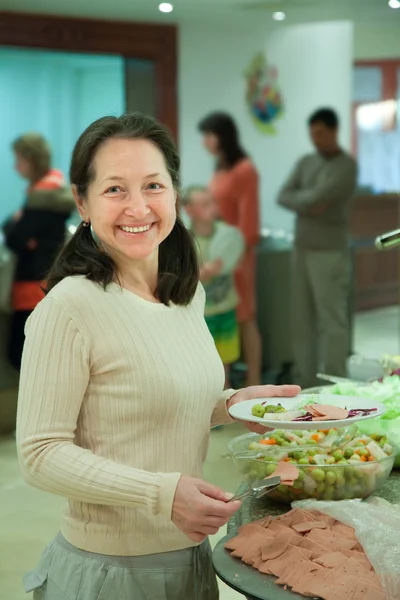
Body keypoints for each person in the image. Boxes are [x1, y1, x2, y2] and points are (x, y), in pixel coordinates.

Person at [16, 113, 300, 600]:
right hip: (110, 573)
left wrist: (231, 404)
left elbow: (149, 401)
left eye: (153, 185)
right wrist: (160, 494)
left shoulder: (185, 295)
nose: (138, 207)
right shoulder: (68, 307)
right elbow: (40, 454)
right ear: (82, 202)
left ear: (173, 193)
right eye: (114, 190)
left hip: (189, 559)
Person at [277, 108, 357, 389]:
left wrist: (306, 200)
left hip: (330, 253)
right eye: (312, 134)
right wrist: (308, 203)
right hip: (301, 250)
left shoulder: (346, 166)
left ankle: (335, 385)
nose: (316, 140)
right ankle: (304, 384)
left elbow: (320, 197)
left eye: (321, 134)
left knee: (331, 321)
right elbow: (284, 196)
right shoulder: (305, 162)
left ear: (334, 131)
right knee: (301, 320)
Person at [199, 112, 262, 386]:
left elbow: (249, 219)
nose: (206, 141)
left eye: (210, 135)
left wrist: (235, 256)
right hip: (218, 253)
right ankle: (226, 382)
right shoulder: (220, 167)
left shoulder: (244, 169)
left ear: (224, 136)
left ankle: (254, 380)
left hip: (237, 256)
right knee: (223, 317)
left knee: (244, 317)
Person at [3, 134, 75, 370]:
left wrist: (18, 225)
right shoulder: (53, 189)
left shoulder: (42, 196)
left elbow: (14, 238)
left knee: (24, 356)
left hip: (32, 284)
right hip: (44, 279)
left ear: (32, 160)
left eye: (20, 160)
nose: (16, 166)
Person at [182, 185, 244, 388]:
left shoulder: (227, 236)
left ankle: (222, 408)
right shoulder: (183, 240)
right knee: (201, 367)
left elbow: (232, 259)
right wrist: (200, 272)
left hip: (225, 310)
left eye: (211, 202)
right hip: (199, 315)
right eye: (203, 204)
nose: (211, 208)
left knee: (224, 364)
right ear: (189, 209)